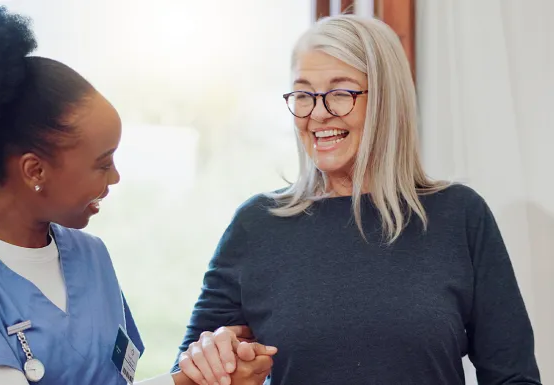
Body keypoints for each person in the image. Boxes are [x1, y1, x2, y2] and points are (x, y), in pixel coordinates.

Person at [0, 4, 274, 385]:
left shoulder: (92, 258)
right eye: (102, 164)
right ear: (35, 170)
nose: (116, 177)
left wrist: (211, 374)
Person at [172, 14, 542, 385]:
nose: (317, 114)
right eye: (303, 94)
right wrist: (211, 358)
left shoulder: (460, 216)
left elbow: (514, 377)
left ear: (386, 100)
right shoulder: (256, 225)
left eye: (340, 93)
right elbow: (188, 373)